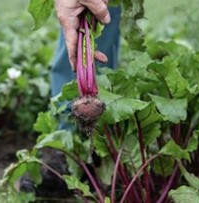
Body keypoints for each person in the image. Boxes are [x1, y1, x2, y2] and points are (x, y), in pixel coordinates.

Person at [20, 0, 121, 197]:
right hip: (84, 95)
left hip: (90, 94)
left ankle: (98, 148)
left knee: (105, 10)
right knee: (80, 14)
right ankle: (69, 140)